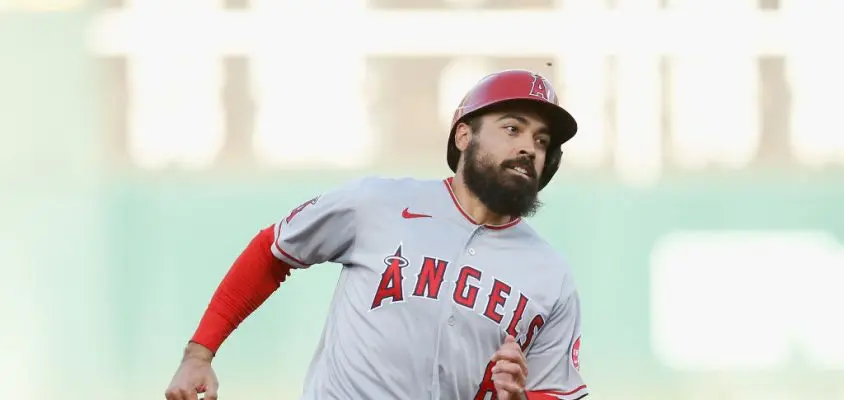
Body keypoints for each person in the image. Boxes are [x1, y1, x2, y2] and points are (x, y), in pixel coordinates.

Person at [164, 69, 589, 400]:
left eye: (540, 140)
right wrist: (199, 353)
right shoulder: (378, 204)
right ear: (464, 135)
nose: (528, 148)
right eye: (512, 129)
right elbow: (272, 251)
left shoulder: (550, 277)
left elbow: (555, 390)